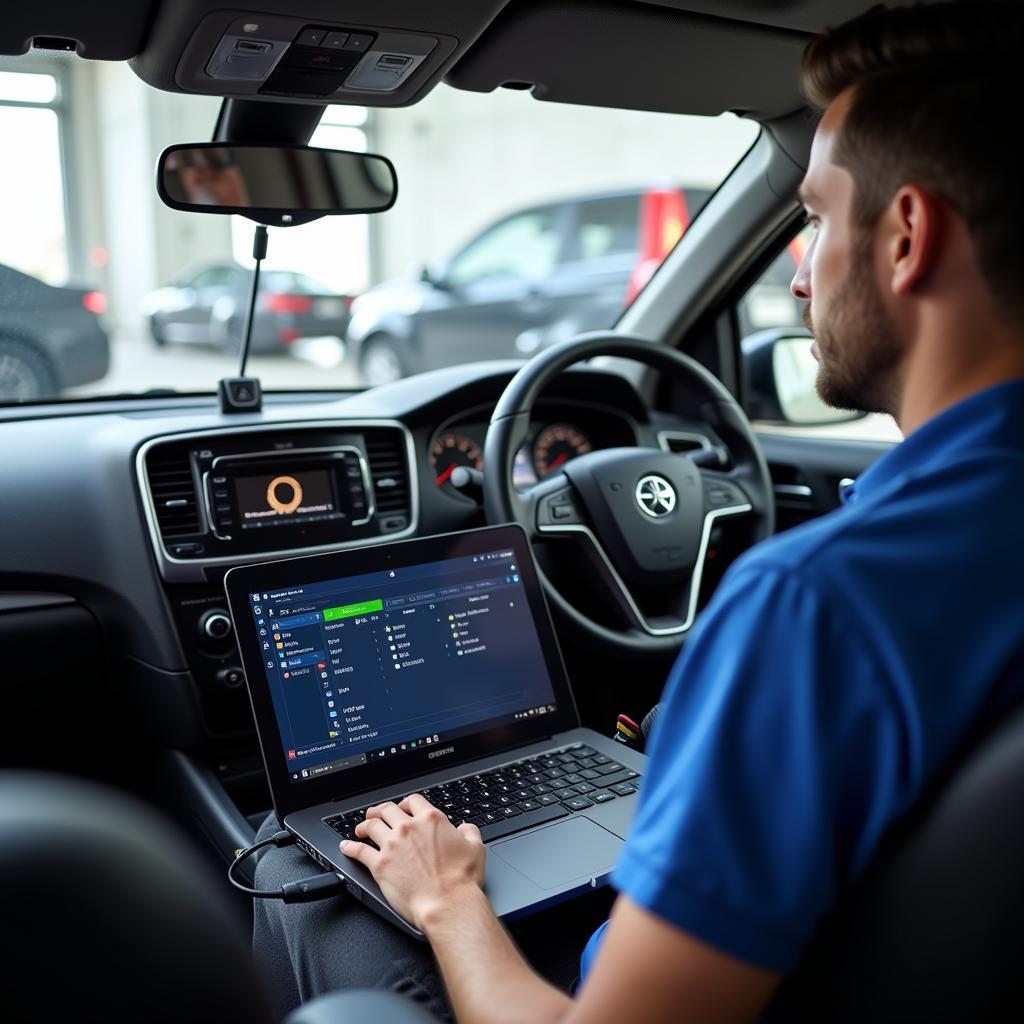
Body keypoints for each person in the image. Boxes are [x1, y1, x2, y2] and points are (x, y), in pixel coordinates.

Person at [253, 3, 1024, 1020]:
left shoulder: (812, 608)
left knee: (295, 878)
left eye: (815, 219)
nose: (796, 273)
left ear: (907, 238)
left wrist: (447, 902)